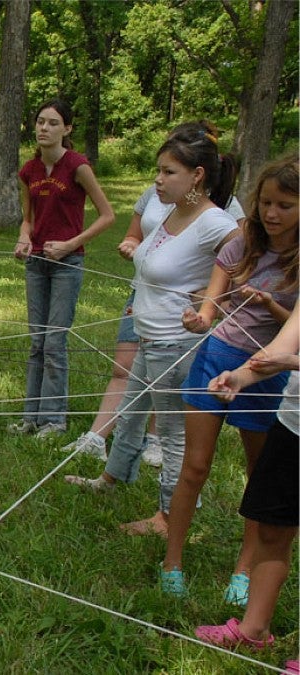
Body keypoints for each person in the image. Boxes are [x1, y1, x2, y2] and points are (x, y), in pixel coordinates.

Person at [64, 127, 240, 537]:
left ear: (197, 175)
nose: (158, 180)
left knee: (174, 435)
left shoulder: (216, 222)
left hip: (177, 346)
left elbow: (246, 261)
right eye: (158, 171)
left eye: (168, 172)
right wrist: (141, 297)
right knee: (129, 415)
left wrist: (215, 301)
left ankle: (167, 517)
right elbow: (153, 264)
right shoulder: (174, 212)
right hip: (149, 336)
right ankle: (112, 480)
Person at [159, 155, 298, 603]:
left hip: (267, 371)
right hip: (216, 357)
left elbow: (291, 327)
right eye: (266, 203)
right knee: (194, 466)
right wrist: (199, 319)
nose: (272, 214)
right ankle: (172, 562)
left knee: (260, 478)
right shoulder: (243, 242)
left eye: (286, 206)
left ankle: (244, 569)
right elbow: (210, 305)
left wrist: (271, 304)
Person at [193, 309, 297, 658]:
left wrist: (292, 363)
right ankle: (254, 629)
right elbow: (281, 346)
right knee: (272, 529)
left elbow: (288, 358)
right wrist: (239, 377)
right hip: (293, 425)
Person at [9, 99, 114, 437]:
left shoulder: (77, 166)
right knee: (37, 341)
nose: (44, 128)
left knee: (55, 342)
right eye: (40, 121)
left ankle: (55, 420)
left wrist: (70, 244)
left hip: (68, 263)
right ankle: (31, 417)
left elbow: (107, 215)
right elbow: (28, 219)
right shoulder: (28, 170)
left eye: (53, 123)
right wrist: (24, 238)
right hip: (37, 263)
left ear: (67, 129)